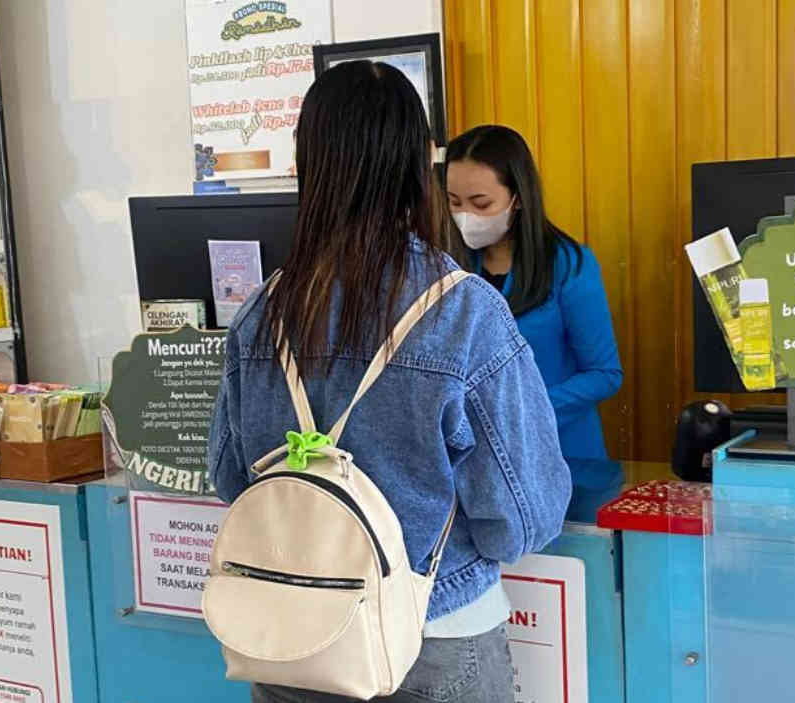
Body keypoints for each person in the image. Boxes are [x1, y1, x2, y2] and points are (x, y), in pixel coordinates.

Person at [207, 61, 571, 703]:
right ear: (414, 166)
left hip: (291, 641)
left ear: (308, 164)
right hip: (436, 632)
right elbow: (523, 517)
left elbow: (232, 477)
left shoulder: (261, 313)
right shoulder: (464, 311)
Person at [445, 125, 624, 465]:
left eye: (481, 203)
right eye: (454, 203)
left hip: (559, 454)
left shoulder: (568, 264)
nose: (465, 216)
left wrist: (525, 409)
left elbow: (605, 374)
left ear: (518, 198)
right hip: (472, 462)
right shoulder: (448, 265)